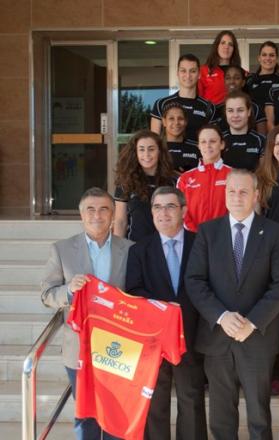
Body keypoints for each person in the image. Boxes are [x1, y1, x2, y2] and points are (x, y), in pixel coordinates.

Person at [185, 169, 279, 440]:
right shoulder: (208, 232)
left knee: (259, 415)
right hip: (217, 336)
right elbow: (195, 280)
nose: (237, 196)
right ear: (225, 194)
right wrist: (221, 316)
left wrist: (253, 322)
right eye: (231, 191)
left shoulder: (274, 233)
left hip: (257, 338)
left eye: (244, 191)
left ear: (256, 195)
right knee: (221, 417)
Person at [41, 187, 132, 440]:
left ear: (113, 215)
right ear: (81, 215)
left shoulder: (131, 249)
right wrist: (69, 291)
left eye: (104, 209)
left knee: (117, 416)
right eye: (90, 209)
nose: (97, 215)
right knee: (86, 418)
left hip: (119, 348)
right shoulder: (61, 249)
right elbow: (47, 294)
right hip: (79, 348)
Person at [125, 186, 207, 440]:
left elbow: (208, 285)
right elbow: (134, 291)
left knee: (191, 398)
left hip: (191, 336)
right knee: (155, 402)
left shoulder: (201, 244)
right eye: (157, 207)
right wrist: (163, 312)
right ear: (151, 213)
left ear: (183, 210)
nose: (164, 213)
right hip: (154, 340)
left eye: (170, 206)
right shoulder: (139, 250)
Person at [114, 130, 175, 242]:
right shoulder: (125, 182)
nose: (146, 154)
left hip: (167, 246)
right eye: (141, 149)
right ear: (135, 153)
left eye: (151, 149)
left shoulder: (173, 181)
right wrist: (118, 251)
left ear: (159, 151)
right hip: (134, 246)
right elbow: (120, 221)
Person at [176, 124, 231, 232]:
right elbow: (179, 210)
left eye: (213, 141)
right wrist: (196, 233)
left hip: (225, 238)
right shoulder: (185, 179)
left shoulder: (233, 175)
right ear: (199, 146)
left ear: (222, 144)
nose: (208, 145)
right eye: (203, 142)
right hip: (194, 239)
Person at [151, 54, 215, 145]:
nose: (188, 75)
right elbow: (154, 141)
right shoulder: (162, 104)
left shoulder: (208, 107)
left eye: (192, 71)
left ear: (199, 74)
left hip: (196, 158)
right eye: (183, 71)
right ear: (177, 73)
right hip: (168, 158)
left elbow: (211, 140)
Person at [221, 90, 267, 171]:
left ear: (248, 112)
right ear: (225, 113)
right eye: (230, 111)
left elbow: (263, 174)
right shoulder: (219, 140)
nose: (235, 115)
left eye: (240, 110)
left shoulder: (261, 141)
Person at [214, 65, 268, 135]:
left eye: (237, 78)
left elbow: (262, 139)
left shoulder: (255, 108)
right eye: (228, 78)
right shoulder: (217, 110)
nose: (232, 81)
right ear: (224, 82)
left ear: (243, 82)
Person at [247, 41, 279, 131]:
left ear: (276, 58)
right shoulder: (249, 80)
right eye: (264, 55)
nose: (268, 58)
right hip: (254, 131)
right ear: (259, 58)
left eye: (271, 55)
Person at [198, 30, 242, 105]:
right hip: (211, 115)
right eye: (223, 43)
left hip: (234, 115)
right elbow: (197, 100)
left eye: (230, 44)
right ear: (216, 46)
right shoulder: (203, 71)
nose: (226, 47)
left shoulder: (242, 73)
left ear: (234, 49)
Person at [161, 102, 200, 174]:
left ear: (185, 122)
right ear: (164, 122)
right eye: (171, 118)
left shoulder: (197, 148)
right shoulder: (156, 147)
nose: (176, 122)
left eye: (180, 118)